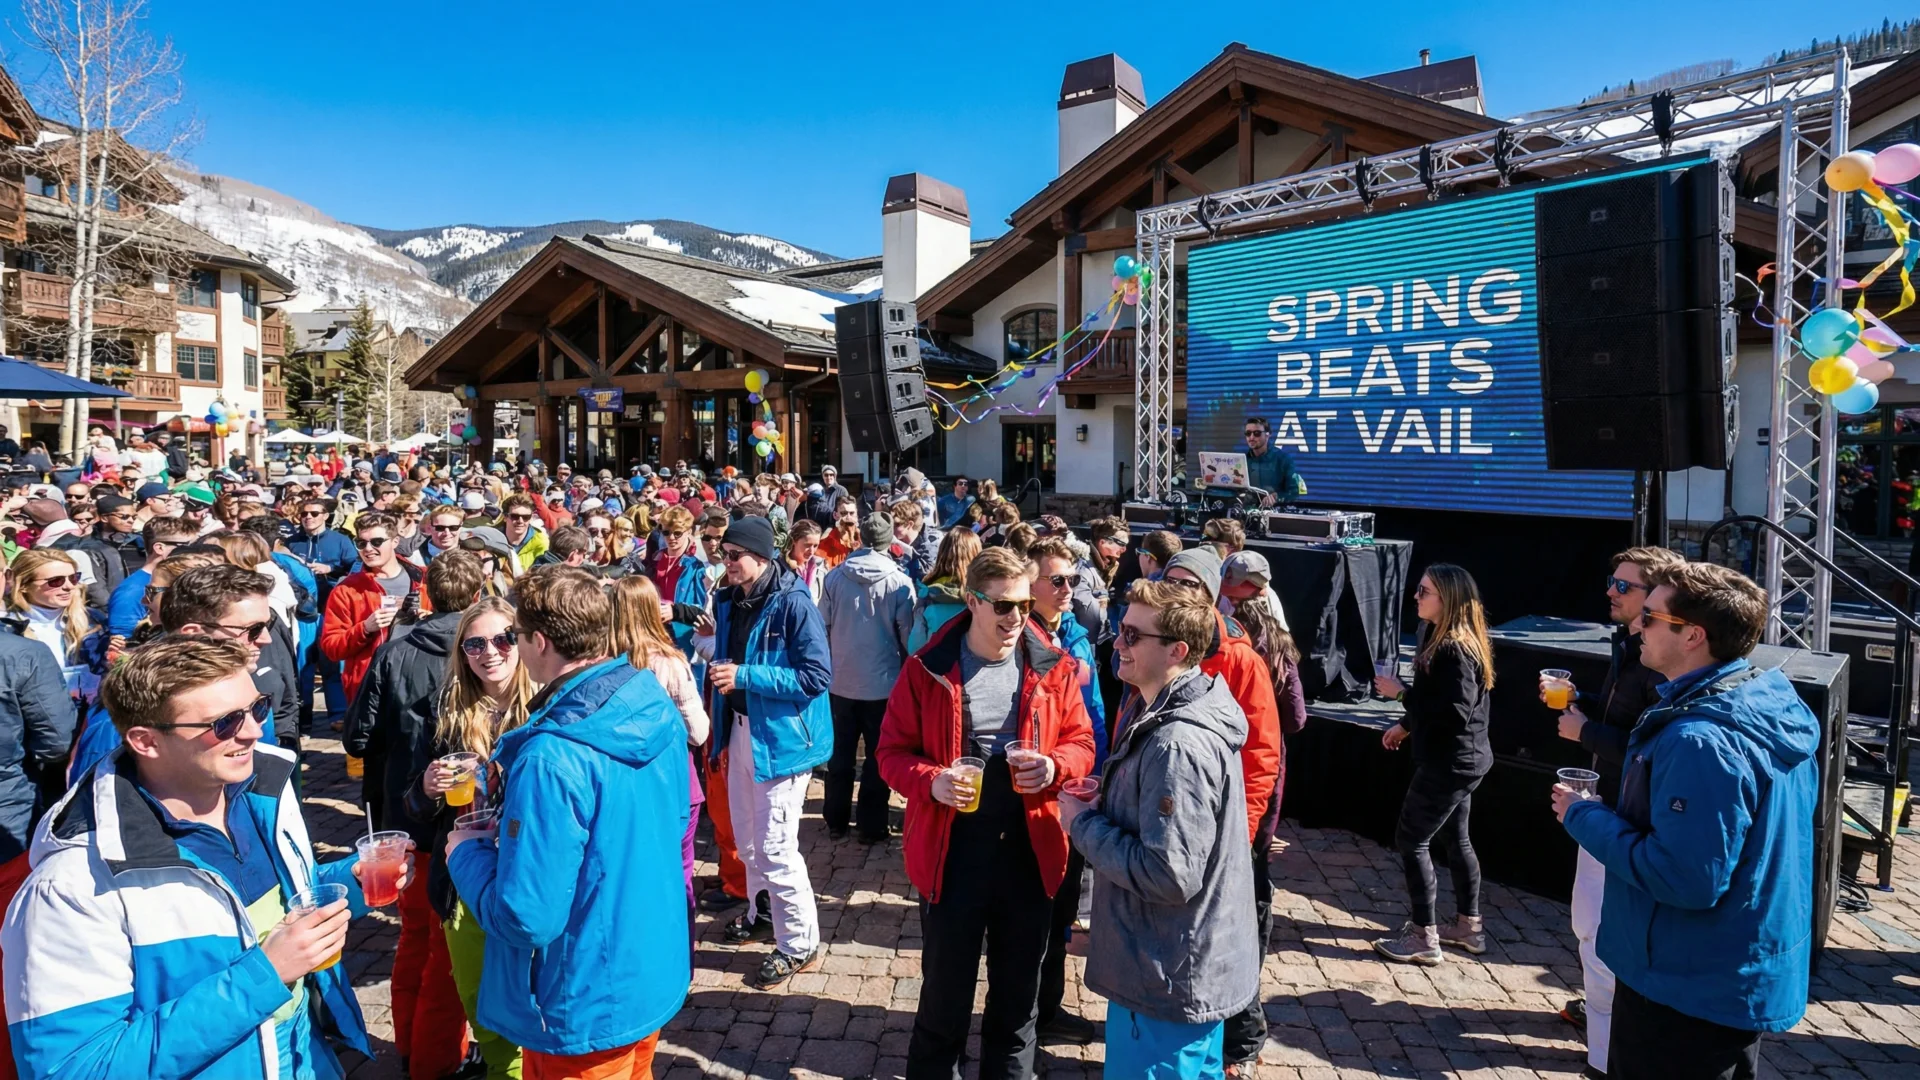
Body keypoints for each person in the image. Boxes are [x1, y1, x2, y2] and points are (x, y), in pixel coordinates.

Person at [2, 638, 397, 1080]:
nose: (252, 732)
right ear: (146, 741)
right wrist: (263, 975)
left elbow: (258, 910)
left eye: (257, 708)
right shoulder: (71, 887)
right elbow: (74, 1069)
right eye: (224, 723)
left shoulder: (258, 796)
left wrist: (351, 880)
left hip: (307, 1058)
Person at [1557, 562, 1819, 1080]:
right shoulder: (1760, 703)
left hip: (1685, 984)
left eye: (1651, 616)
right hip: (1721, 973)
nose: (1638, 626)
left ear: (1694, 635)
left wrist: (1583, 816)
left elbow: (1685, 877)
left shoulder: (1701, 739)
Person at [446, 567, 692, 1079]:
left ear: (539, 641)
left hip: (582, 994)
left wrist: (464, 855)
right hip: (646, 962)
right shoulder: (648, 697)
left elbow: (526, 916)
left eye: (513, 636)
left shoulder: (552, 756)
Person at [876, 547, 1096, 1079]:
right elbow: (890, 754)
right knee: (944, 998)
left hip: (1029, 849)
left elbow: (1082, 741)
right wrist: (933, 782)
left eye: (1022, 604)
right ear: (971, 602)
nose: (1015, 618)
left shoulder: (1053, 666)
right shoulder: (926, 668)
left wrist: (1054, 765)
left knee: (1018, 1001)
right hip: (954, 853)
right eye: (1001, 606)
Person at [1061, 579, 1258, 1076]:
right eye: (1120, 630)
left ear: (1178, 651)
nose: (1117, 644)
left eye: (1132, 635)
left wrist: (1081, 823)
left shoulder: (1178, 744)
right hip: (1180, 966)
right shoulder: (1171, 710)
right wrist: (1111, 799)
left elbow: (1168, 874)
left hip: (1165, 974)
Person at [347, 551, 484, 1080]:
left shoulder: (395, 651)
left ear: (427, 595)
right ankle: (434, 1062)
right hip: (451, 825)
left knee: (414, 941)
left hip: (402, 822)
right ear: (475, 599)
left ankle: (410, 1047)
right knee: (446, 955)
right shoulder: (482, 654)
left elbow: (357, 735)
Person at [1547, 545, 1680, 1072]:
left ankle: (1605, 1054)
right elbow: (1629, 721)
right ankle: (1603, 1021)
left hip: (1629, 816)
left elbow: (1656, 750)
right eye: (1612, 582)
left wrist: (1587, 732)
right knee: (1589, 923)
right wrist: (1582, 705)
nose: (1611, 592)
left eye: (1624, 587)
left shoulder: (1661, 666)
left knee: (1601, 929)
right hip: (1609, 803)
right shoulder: (1631, 648)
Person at [697, 516, 833, 989]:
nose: (726, 563)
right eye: (723, 554)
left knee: (776, 846)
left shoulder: (794, 603)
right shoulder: (729, 598)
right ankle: (760, 912)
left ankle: (800, 942)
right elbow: (722, 660)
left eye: (735, 555)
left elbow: (816, 678)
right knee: (747, 836)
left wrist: (746, 676)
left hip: (783, 738)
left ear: (762, 555)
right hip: (739, 729)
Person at [409, 595, 532, 1080]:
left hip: (527, 877)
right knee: (483, 1007)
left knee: (533, 1002)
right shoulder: (447, 714)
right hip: (465, 885)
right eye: (475, 643)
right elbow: (415, 809)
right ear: (462, 653)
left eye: (503, 639)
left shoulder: (546, 707)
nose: (490, 652)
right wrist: (424, 788)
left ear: (522, 642)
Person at [1372, 563, 1495, 966]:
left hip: (1452, 762)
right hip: (1459, 757)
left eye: (1424, 591)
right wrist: (1406, 725)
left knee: (1412, 841)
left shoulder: (1455, 647)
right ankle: (1469, 928)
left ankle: (1424, 937)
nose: (1416, 596)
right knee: (1455, 839)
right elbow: (1438, 701)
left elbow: (1454, 712)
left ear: (1449, 599)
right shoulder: (1435, 634)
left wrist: (1400, 695)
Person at [1026, 537, 1110, 1045]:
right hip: (1040, 792)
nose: (1067, 589)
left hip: (1079, 785)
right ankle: (1026, 1023)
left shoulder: (1077, 633)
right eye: (1056, 580)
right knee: (1034, 916)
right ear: (1028, 583)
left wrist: (1095, 770)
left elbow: (1093, 710)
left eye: (1073, 580)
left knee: (1060, 910)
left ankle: (1048, 1009)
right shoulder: (1021, 640)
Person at [608, 575, 712, 931]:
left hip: (620, 784)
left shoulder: (600, 663)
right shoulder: (671, 663)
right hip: (673, 780)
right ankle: (681, 963)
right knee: (678, 873)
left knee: (630, 877)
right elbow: (698, 733)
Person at [818, 513, 915, 843]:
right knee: (878, 755)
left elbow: (823, 626)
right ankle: (872, 827)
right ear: (889, 542)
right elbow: (908, 636)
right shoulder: (900, 582)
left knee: (841, 752)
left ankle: (836, 818)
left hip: (841, 680)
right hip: (882, 683)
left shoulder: (834, 578)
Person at [160, 564, 300, 752]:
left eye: (269, 625)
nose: (266, 640)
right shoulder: (143, 712)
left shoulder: (250, 691)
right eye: (253, 629)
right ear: (193, 634)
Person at [3, 548, 108, 681]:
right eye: (56, 581)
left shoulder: (93, 619)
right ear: (24, 585)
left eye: (74, 578)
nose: (69, 586)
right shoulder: (8, 628)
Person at [106, 515, 197, 649]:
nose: (193, 551)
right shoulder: (131, 592)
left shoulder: (186, 579)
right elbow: (123, 647)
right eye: (185, 546)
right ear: (159, 548)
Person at [908, 527, 981, 653]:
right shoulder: (983, 594)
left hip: (936, 667)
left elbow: (914, 647)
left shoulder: (927, 593)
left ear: (942, 553)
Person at [1242, 416, 1298, 506]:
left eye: (1257, 433)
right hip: (1245, 513)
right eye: (1248, 433)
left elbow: (1294, 492)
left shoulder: (1283, 459)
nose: (1251, 437)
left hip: (1273, 514)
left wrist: (1276, 497)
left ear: (1268, 435)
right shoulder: (1242, 460)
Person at [890, 498, 941, 583]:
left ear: (909, 524)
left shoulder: (934, 540)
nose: (891, 528)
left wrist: (904, 549)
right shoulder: (896, 538)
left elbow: (926, 573)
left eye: (896, 524)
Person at [784, 519, 829, 604]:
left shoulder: (820, 568)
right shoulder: (780, 569)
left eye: (815, 545)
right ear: (794, 541)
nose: (812, 551)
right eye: (807, 545)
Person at [817, 495, 861, 568]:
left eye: (852, 513)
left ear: (857, 515)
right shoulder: (824, 545)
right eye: (843, 513)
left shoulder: (864, 541)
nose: (848, 517)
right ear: (835, 515)